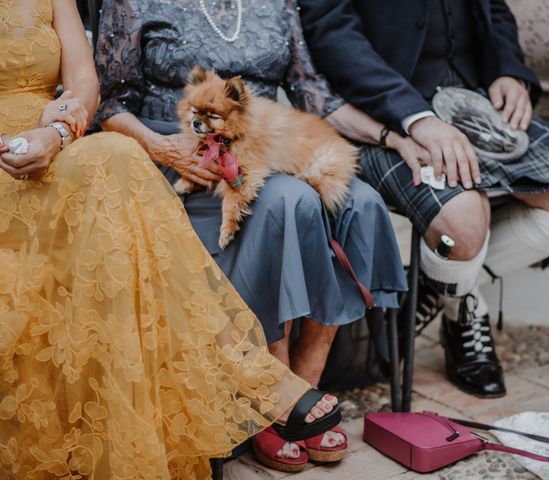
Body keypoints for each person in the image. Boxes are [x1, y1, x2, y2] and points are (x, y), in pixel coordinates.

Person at [0, 0, 340, 477]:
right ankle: (248, 373)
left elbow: (85, 84)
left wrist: (57, 130)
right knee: (116, 177)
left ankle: (246, 371)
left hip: (50, 147)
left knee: (114, 157)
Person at [94, 0, 417, 471]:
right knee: (289, 202)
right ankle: (268, 398)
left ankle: (305, 386)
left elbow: (314, 94)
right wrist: (165, 149)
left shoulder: (278, 3)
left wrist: (396, 136)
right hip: (178, 153)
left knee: (362, 204)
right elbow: (106, 101)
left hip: (265, 143)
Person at [298, 0, 549, 398]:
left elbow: (493, 8)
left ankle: (440, 287)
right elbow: (329, 28)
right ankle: (462, 307)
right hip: (381, 116)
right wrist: (415, 116)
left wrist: (509, 71)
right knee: (462, 219)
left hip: (472, 100)